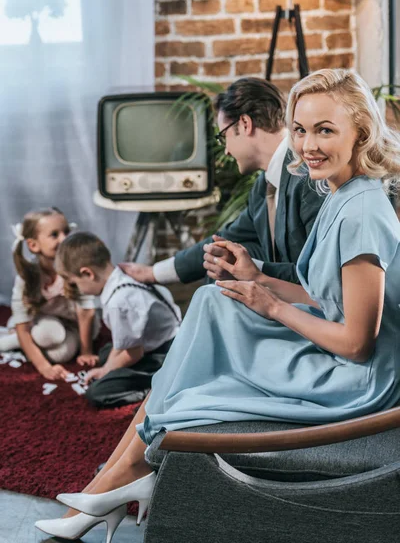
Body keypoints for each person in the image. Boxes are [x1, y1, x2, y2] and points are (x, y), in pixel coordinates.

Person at [35, 68, 400, 542]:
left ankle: (121, 475)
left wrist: (270, 305)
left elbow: (355, 344)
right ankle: (124, 473)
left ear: (361, 133)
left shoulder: (362, 212)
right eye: (301, 130)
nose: (308, 145)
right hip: (342, 355)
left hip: (359, 383)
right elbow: (327, 297)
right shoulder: (337, 191)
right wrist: (258, 277)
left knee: (203, 352)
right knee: (212, 299)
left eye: (325, 130)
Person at [120, 77, 324, 288]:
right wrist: (153, 272)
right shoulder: (264, 186)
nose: (225, 150)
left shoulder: (308, 176)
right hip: (281, 295)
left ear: (245, 124)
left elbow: (321, 275)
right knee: (220, 256)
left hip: (312, 308)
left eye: (223, 136)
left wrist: (253, 270)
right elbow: (223, 239)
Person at [55, 231, 181, 408]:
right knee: (106, 353)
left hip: (168, 353)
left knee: (97, 393)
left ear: (88, 273)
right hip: (159, 340)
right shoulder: (123, 274)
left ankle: (153, 391)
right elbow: (124, 344)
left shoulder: (118, 303)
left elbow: (133, 353)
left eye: (74, 283)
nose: (76, 289)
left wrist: (105, 371)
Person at [1, 207, 98, 381]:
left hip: (75, 324)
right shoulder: (28, 276)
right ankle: (16, 339)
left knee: (61, 354)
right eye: (54, 235)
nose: (64, 238)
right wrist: (44, 367)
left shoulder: (76, 267)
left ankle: (20, 340)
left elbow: (86, 312)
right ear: (33, 245)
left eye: (66, 231)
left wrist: (86, 351)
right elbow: (23, 327)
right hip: (46, 319)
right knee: (48, 334)